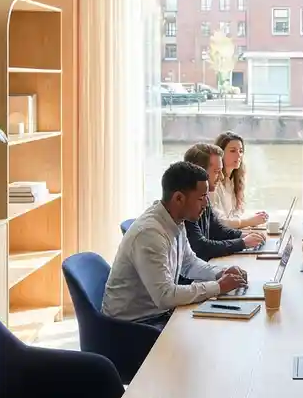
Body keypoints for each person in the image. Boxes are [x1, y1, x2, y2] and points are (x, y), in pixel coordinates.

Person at [102, 161, 248, 326]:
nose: (206, 204)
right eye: (201, 198)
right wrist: (218, 287)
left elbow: (189, 263)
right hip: (133, 327)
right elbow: (165, 296)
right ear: (178, 198)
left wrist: (221, 273)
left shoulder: (175, 219)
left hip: (157, 315)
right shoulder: (149, 234)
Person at [184, 143, 266, 260]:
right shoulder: (184, 204)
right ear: (199, 172)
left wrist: (243, 235)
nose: (222, 177)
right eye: (217, 171)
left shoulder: (203, 198)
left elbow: (217, 230)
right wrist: (242, 243)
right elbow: (201, 248)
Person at [211, 131, 269, 230]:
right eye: (233, 151)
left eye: (241, 151)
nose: (239, 156)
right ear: (220, 153)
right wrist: (249, 221)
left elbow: (236, 213)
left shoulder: (235, 180)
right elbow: (218, 221)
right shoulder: (213, 183)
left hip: (232, 233)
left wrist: (254, 218)